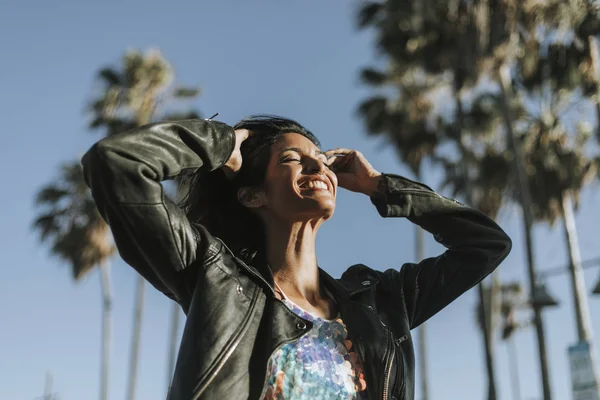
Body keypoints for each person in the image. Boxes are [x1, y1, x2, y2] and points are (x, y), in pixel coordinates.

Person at [82, 115, 512, 400]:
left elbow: (485, 244)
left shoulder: (379, 303)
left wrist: (382, 186)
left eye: (321, 162)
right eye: (292, 160)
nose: (317, 169)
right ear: (252, 195)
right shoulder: (214, 276)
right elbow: (116, 164)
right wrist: (223, 143)